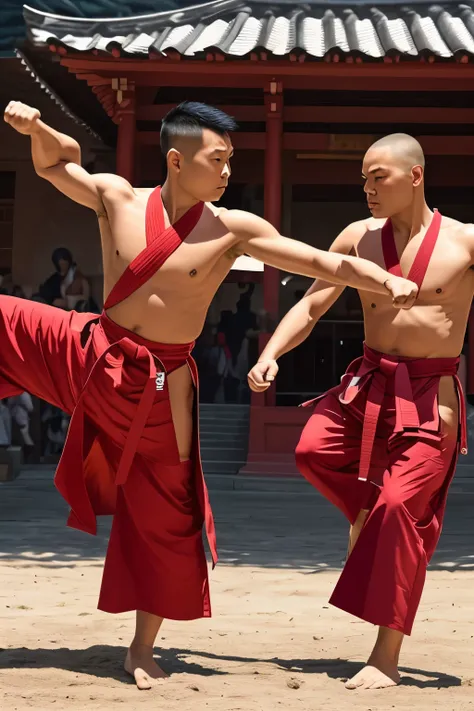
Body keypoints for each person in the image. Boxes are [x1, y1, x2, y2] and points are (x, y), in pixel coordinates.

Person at [2, 101, 416, 691]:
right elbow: (55, 168)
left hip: (163, 384)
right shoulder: (117, 197)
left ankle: (141, 651)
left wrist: (384, 279)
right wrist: (38, 128)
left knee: (168, 517)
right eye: (216, 159)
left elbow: (320, 260)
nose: (226, 171)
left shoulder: (232, 229)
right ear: (177, 160)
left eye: (230, 161)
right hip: (93, 354)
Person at [248, 133, 473, 690]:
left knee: (401, 510)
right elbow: (312, 302)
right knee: (310, 451)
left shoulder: (466, 243)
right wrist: (270, 353)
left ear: (415, 176)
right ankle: (366, 514)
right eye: (364, 179)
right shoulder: (357, 238)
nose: (368, 188)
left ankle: (385, 658)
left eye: (380, 177)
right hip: (368, 387)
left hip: (428, 398)